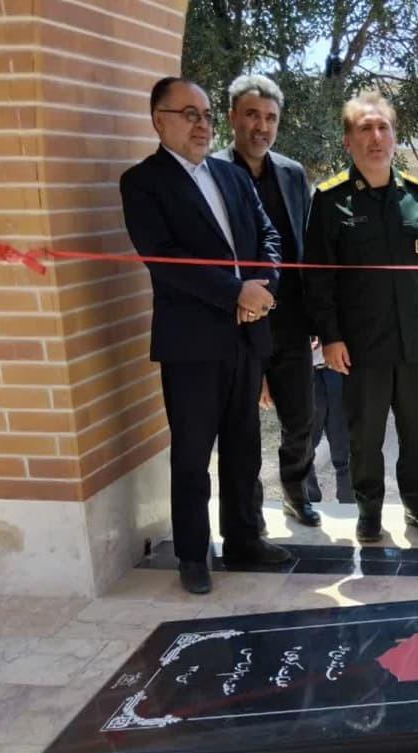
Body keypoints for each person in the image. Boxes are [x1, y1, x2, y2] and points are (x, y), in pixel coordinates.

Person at [120, 76, 290, 594]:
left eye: (207, 115)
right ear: (159, 120)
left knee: (245, 448)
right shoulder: (143, 183)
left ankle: (244, 538)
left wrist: (263, 286)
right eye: (189, 114)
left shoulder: (231, 175)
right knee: (193, 456)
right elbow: (164, 258)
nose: (202, 125)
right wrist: (235, 292)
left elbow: (268, 235)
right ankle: (194, 554)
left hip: (247, 336)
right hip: (192, 344)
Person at [302, 92, 418, 544]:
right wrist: (330, 336)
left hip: (415, 341)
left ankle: (417, 505)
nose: (376, 136)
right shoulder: (330, 200)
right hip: (361, 345)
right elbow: (318, 278)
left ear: (395, 137)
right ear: (348, 141)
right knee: (364, 436)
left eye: (383, 127)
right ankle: (369, 511)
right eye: (365, 128)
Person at [213, 74, 319, 528]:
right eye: (252, 115)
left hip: (290, 320)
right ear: (232, 117)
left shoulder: (292, 173)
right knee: (243, 426)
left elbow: (306, 246)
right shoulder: (213, 172)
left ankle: (295, 490)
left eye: (271, 118)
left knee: (302, 418)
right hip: (236, 320)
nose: (262, 126)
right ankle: (249, 512)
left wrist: (316, 316)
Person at [305, 337, 353, 503]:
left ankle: (349, 502)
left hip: (339, 369)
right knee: (302, 444)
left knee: (345, 444)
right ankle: (309, 500)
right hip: (304, 371)